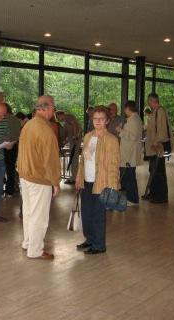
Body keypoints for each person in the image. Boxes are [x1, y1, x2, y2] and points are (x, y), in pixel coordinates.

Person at [17, 95, 61, 260]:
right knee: (39, 217)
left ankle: (28, 242)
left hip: (25, 175)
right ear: (46, 108)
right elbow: (51, 159)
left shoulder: (28, 125)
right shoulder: (44, 128)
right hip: (39, 178)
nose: (53, 111)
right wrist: (55, 182)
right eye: (52, 108)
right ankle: (35, 250)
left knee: (29, 212)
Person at [75, 106, 120, 255]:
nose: (98, 121)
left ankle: (99, 245)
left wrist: (113, 187)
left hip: (101, 183)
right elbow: (83, 161)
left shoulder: (112, 140)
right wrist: (78, 179)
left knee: (98, 215)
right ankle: (90, 239)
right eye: (95, 118)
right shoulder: (88, 136)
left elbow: (114, 165)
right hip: (86, 181)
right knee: (86, 213)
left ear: (107, 121)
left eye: (101, 119)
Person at [142, 93, 170, 203]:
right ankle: (153, 193)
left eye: (149, 101)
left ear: (152, 100)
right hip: (153, 146)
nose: (148, 103)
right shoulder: (155, 111)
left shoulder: (160, 111)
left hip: (158, 147)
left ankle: (161, 196)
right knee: (153, 170)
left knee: (159, 171)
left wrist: (156, 142)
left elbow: (162, 129)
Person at [116, 101, 143, 205]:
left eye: (124, 109)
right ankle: (131, 198)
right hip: (129, 152)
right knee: (128, 176)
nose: (124, 111)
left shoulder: (134, 120)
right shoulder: (133, 119)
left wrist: (120, 130)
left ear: (128, 108)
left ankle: (132, 199)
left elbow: (133, 136)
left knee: (129, 177)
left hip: (130, 153)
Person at [55, 110, 82, 185]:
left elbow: (75, 126)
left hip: (75, 141)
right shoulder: (66, 121)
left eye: (57, 117)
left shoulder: (68, 117)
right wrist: (64, 142)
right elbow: (67, 133)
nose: (57, 119)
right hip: (73, 141)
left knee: (74, 159)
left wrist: (75, 137)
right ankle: (73, 177)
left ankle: (74, 178)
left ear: (61, 115)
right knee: (73, 159)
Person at [4, 104, 21, 197]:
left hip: (2, 146)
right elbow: (19, 135)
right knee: (11, 169)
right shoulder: (17, 120)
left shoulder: (2, 119)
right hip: (13, 146)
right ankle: (10, 191)